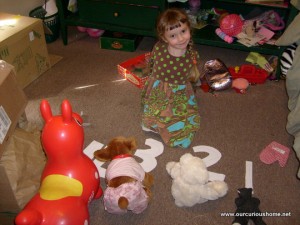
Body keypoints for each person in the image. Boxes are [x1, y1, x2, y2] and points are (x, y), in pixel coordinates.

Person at [141, 8, 201, 148]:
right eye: (173, 36)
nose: (180, 39)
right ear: (164, 38)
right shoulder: (159, 48)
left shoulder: (191, 55)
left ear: (189, 29)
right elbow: (152, 62)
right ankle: (150, 123)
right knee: (155, 108)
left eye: (183, 31)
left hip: (179, 90)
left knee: (178, 115)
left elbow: (193, 73)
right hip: (159, 87)